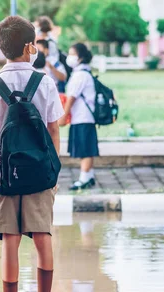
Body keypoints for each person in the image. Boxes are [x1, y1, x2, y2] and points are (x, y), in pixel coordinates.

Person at [0, 16, 63, 292]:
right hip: (40, 171)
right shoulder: (46, 83)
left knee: (9, 238)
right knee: (42, 236)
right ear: (29, 47)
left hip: (4, 172)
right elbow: (53, 129)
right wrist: (53, 171)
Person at [59, 43, 98, 191]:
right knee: (85, 147)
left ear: (80, 57)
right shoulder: (83, 73)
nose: (69, 57)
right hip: (83, 117)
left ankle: (84, 179)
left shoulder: (80, 75)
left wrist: (63, 116)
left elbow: (71, 98)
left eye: (72, 54)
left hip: (83, 117)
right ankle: (89, 176)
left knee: (85, 149)